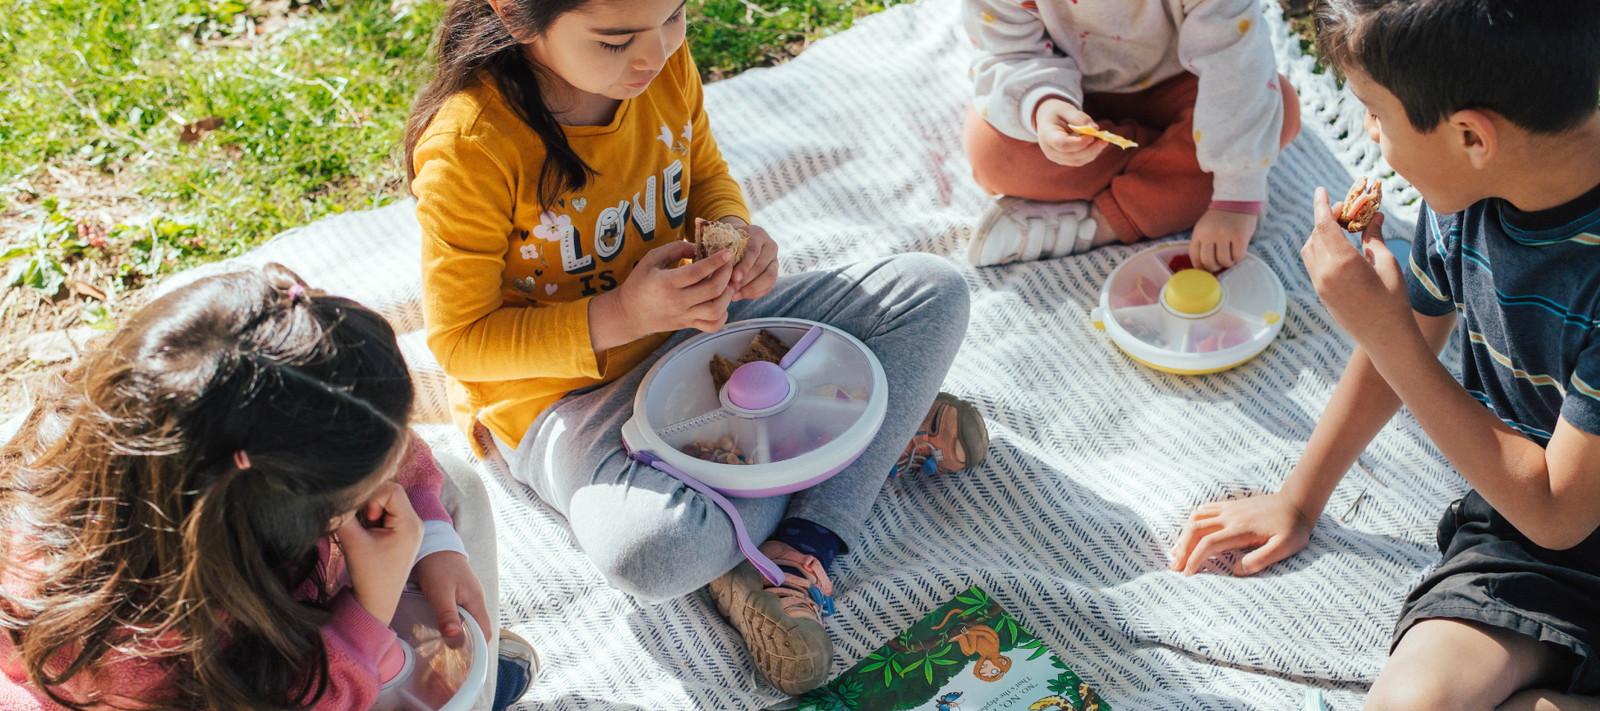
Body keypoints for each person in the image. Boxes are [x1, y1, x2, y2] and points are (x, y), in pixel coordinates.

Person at [404, 0, 990, 694]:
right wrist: (620, 314)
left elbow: (703, 172)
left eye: (676, 16)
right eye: (617, 39)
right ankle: (851, 448)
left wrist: (735, 235)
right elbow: (463, 342)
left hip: (701, 333)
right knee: (653, 551)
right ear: (519, 16)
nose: (654, 55)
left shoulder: (655, 61)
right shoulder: (472, 144)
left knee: (934, 290)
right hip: (569, 401)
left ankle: (803, 540)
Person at [1169, 1, 1600, 707]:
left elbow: (1559, 507)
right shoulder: (1465, 199)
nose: (1371, 135)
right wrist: (1299, 499)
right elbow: (1542, 527)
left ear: (1470, 136)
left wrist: (1384, 329)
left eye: (1377, 113)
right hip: (1528, 553)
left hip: (1552, 514)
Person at [0, 265, 535, 710]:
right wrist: (367, 616)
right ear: (282, 517)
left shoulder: (161, 418)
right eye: (356, 492)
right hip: (265, 689)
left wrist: (436, 544)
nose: (396, 464)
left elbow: (369, 430)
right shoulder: (133, 654)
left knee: (455, 484)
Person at [960, 0, 1302, 272]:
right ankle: (1178, 178)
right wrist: (1043, 104)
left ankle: (1098, 225)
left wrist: (1236, 195)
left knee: (1280, 108)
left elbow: (1236, 62)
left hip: (1187, 84)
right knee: (990, 153)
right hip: (1072, 93)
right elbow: (1008, 52)